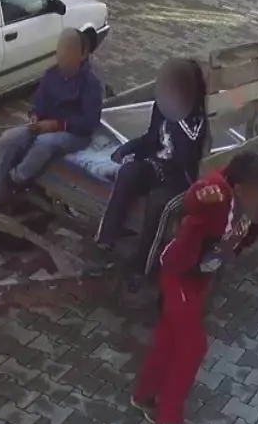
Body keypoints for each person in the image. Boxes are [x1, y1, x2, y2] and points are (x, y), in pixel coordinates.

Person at [131, 147, 258, 424]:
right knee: (193, 347)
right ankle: (169, 422)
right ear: (239, 188)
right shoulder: (216, 195)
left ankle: (144, 396)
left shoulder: (254, 179)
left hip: (200, 277)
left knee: (168, 339)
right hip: (180, 276)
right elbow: (193, 198)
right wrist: (207, 193)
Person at [86, 58, 209, 275]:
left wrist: (178, 115)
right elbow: (152, 137)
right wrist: (128, 148)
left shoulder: (196, 119)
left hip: (180, 177)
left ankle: (142, 264)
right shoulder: (162, 106)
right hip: (157, 165)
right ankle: (105, 241)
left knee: (157, 202)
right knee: (128, 172)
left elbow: (187, 153)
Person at [0, 28, 103, 205]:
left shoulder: (91, 83)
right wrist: (35, 117)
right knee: (9, 138)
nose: (63, 57)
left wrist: (58, 125)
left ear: (83, 55)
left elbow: (89, 122)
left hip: (74, 135)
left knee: (44, 143)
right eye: (62, 51)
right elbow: (39, 103)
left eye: (70, 52)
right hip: (44, 126)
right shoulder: (51, 74)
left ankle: (16, 181)